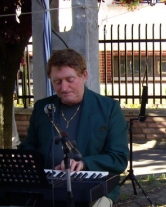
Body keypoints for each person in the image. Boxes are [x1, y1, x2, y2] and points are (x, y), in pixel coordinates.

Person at [19, 48, 129, 207]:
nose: (63, 88)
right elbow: (29, 146)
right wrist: (27, 159)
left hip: (92, 187)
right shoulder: (43, 108)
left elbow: (118, 158)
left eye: (70, 79)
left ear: (84, 76)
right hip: (47, 187)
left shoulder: (108, 108)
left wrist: (84, 163)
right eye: (57, 81)